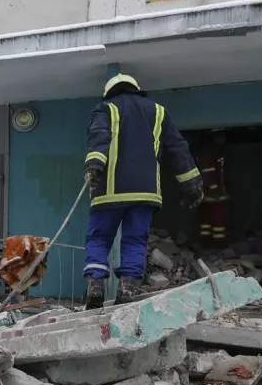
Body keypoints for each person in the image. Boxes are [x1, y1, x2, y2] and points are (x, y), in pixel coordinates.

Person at [83, 75, 204, 309]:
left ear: (109, 92)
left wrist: (94, 165)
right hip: (145, 193)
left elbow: (99, 136)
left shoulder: (105, 108)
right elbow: (178, 149)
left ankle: (96, 285)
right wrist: (192, 184)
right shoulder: (158, 112)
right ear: (137, 90)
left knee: (99, 237)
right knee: (135, 240)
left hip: (109, 191)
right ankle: (127, 287)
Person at [195, 130, 230, 247]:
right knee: (217, 222)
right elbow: (211, 174)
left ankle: (206, 244)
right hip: (215, 196)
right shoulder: (212, 152)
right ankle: (217, 246)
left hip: (208, 196)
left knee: (206, 222)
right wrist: (217, 191)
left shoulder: (210, 151)